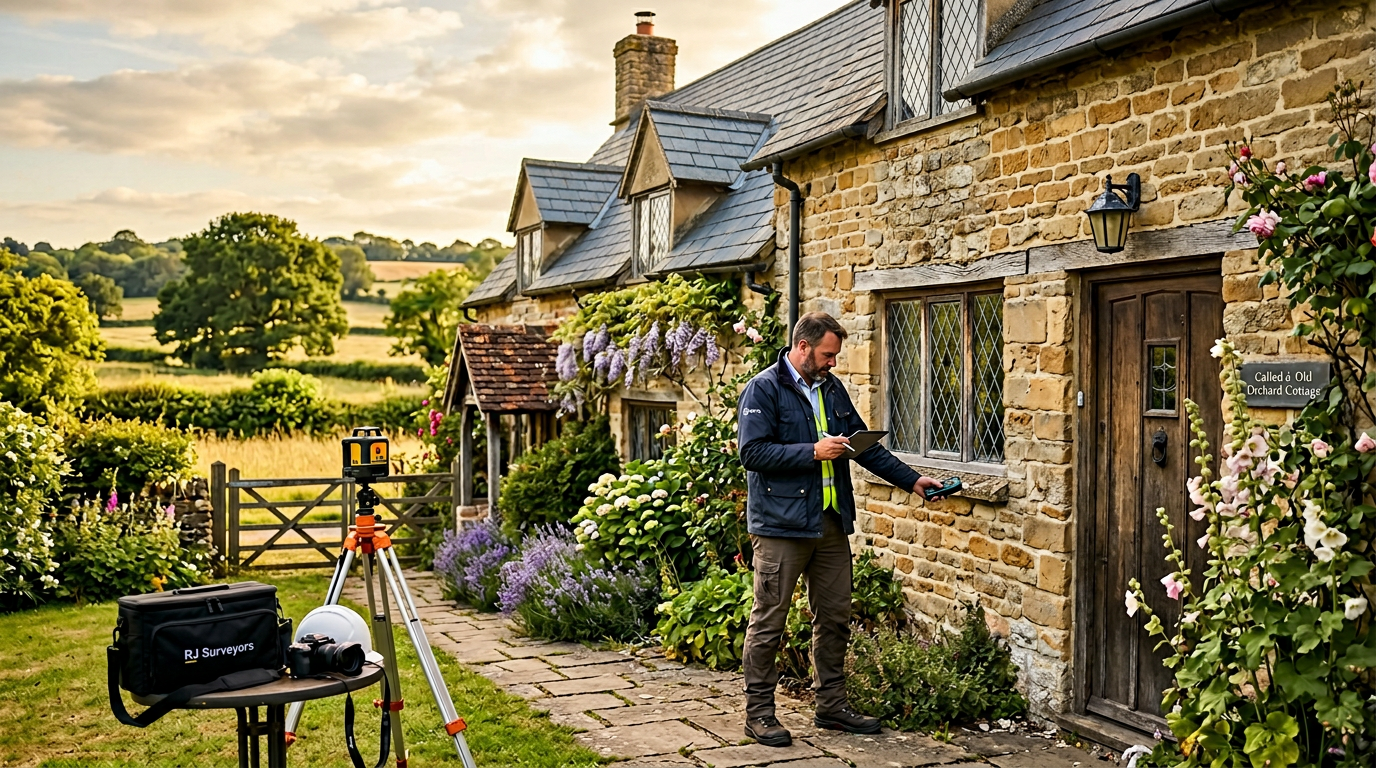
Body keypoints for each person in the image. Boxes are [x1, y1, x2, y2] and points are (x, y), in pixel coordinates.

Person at [736, 311, 942, 747]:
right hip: (780, 528)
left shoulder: (831, 388)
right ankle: (759, 715)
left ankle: (831, 705)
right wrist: (812, 450)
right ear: (803, 347)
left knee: (834, 618)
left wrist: (913, 481)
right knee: (769, 621)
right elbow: (752, 453)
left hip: (829, 522)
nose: (834, 363)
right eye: (828, 354)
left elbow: (861, 445)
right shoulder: (764, 388)